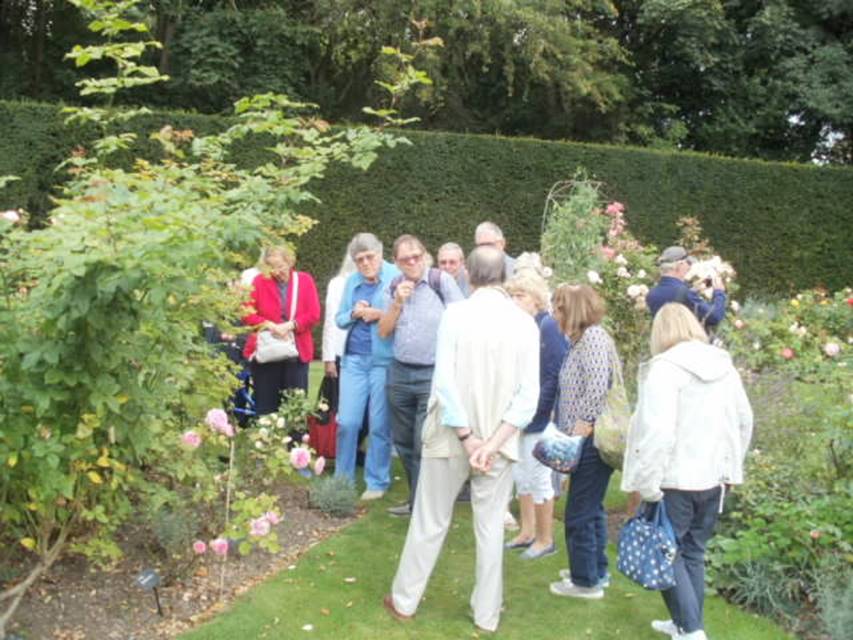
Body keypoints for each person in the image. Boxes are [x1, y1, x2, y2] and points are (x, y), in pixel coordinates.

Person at [384, 246, 539, 633]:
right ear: (503, 277)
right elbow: (528, 398)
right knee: (489, 528)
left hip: (455, 437)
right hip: (494, 441)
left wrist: (471, 438)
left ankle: (405, 600)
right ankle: (486, 616)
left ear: (467, 273)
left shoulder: (457, 315)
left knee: (430, 519)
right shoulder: (524, 323)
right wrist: (490, 441)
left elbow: (445, 383)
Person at [622, 303, 753, 640]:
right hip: (712, 478)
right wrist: (730, 469)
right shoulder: (724, 366)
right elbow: (743, 420)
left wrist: (647, 485)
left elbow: (657, 432)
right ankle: (686, 622)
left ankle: (691, 630)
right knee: (692, 552)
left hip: (674, 479)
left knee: (669, 553)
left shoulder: (664, 370)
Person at [378, 234, 464, 517]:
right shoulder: (393, 286)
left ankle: (427, 505)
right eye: (406, 259)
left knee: (422, 443)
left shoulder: (441, 282)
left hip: (432, 374)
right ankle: (418, 502)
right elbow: (383, 331)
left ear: (424, 254)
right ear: (397, 262)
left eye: (417, 256)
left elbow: (461, 323)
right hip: (400, 373)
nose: (413, 262)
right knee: (403, 442)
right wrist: (397, 303)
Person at [549, 284, 621, 600]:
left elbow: (596, 388)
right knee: (591, 509)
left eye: (558, 308)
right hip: (585, 438)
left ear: (572, 310)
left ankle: (584, 581)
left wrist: (579, 431)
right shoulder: (581, 339)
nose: (553, 314)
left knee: (578, 511)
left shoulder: (591, 339)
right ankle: (596, 570)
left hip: (589, 440)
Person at [503, 271, 568, 559]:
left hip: (542, 417)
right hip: (520, 415)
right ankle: (527, 532)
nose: (516, 301)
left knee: (540, 477)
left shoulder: (549, 326)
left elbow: (555, 375)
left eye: (521, 295)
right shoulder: (520, 327)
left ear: (537, 298)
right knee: (522, 476)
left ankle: (545, 539)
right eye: (512, 295)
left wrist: (538, 411)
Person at [334, 233, 400, 500]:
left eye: (369, 257)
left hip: (383, 361)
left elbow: (409, 316)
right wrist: (353, 313)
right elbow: (339, 319)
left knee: (379, 425)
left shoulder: (396, 276)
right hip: (353, 360)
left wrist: (379, 314)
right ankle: (342, 480)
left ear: (380, 253)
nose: (364, 263)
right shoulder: (352, 282)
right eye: (359, 260)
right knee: (347, 422)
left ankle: (377, 481)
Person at [242, 245, 321, 414]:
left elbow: (313, 314)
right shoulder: (259, 282)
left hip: (297, 353)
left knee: (295, 406)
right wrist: (269, 325)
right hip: (267, 353)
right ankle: (268, 440)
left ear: (289, 262)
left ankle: (295, 440)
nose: (276, 271)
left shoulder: (304, 280)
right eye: (271, 267)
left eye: (280, 266)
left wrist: (290, 325)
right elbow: (247, 313)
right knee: (266, 407)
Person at [646, 246, 726, 330]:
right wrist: (719, 293)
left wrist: (694, 290)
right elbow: (715, 317)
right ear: (680, 265)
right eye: (688, 263)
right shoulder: (685, 293)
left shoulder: (651, 294)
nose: (689, 267)